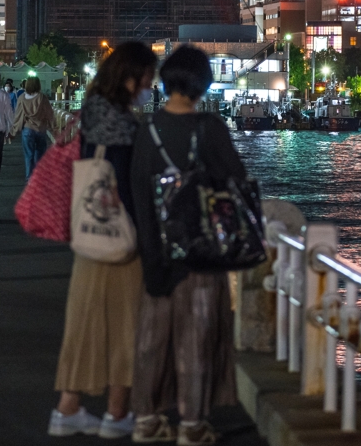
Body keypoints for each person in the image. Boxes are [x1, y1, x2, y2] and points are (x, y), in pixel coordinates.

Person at [129, 45, 245, 445]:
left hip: (158, 251)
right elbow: (236, 182)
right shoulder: (209, 128)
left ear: (165, 81)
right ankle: (192, 425)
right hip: (201, 253)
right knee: (196, 339)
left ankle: (146, 419)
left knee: (151, 340)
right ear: (203, 83)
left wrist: (149, 254)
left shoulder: (148, 130)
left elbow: (140, 198)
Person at [48, 41, 157, 439]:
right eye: (147, 77)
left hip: (89, 234)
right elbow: (127, 189)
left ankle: (68, 407)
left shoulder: (91, 112)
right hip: (122, 241)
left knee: (84, 323)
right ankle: (116, 414)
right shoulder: (125, 126)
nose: (150, 84)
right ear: (132, 77)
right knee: (126, 328)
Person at [8, 76, 55, 178]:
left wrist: (13, 132)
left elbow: (18, 116)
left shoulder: (22, 99)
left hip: (27, 129)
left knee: (29, 155)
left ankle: (29, 178)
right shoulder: (42, 98)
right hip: (41, 129)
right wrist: (54, 127)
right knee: (40, 155)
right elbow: (49, 114)